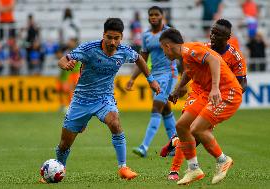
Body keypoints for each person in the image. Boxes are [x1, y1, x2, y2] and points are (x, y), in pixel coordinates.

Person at [39, 18, 161, 183]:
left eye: (116, 38)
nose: (112, 42)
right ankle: (59, 168)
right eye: (109, 37)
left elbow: (139, 59)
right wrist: (65, 65)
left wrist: (151, 80)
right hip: (81, 100)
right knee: (64, 144)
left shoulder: (124, 51)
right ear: (103, 35)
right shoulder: (89, 49)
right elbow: (63, 59)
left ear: (121, 37)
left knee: (115, 123)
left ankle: (123, 167)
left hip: (104, 98)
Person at [160, 19, 247, 181]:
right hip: (205, 93)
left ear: (167, 46)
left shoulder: (190, 49)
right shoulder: (190, 53)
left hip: (225, 92)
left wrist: (215, 89)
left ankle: (223, 160)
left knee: (197, 129)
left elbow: (213, 61)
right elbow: (190, 70)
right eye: (212, 32)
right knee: (182, 126)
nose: (212, 36)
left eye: (162, 50)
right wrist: (179, 88)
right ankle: (193, 169)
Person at [126, 6, 178, 158]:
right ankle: (175, 145)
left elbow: (180, 52)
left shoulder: (170, 33)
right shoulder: (146, 35)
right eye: (151, 15)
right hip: (154, 77)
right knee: (166, 111)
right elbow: (142, 59)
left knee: (156, 108)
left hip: (169, 75)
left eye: (156, 14)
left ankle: (144, 146)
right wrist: (132, 78)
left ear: (162, 16)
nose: (153, 17)